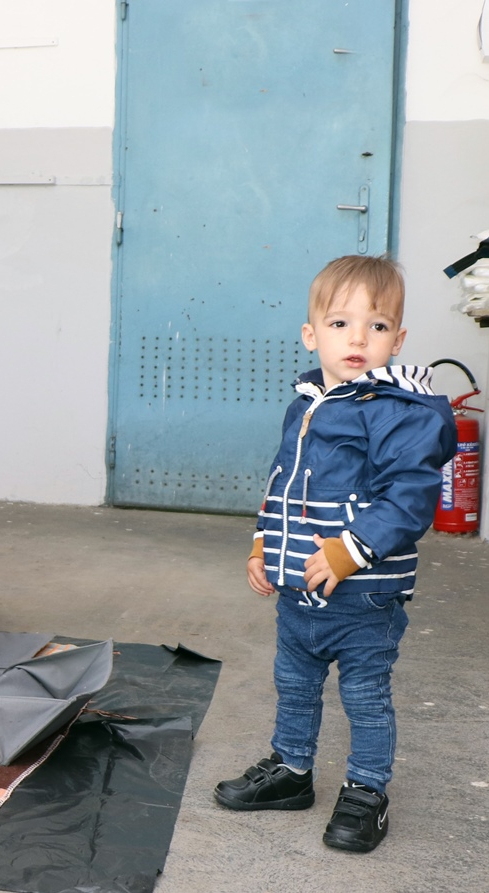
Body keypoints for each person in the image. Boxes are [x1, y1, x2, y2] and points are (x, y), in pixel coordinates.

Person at [213, 255, 456, 853]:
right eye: (341, 323)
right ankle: (292, 770)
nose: (358, 339)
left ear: (398, 339)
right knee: (294, 684)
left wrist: (352, 550)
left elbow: (409, 497)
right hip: (299, 591)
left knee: (365, 697)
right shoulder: (307, 403)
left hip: (363, 596)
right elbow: (283, 481)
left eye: (377, 326)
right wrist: (264, 542)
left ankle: (366, 791)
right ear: (311, 334)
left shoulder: (400, 412)